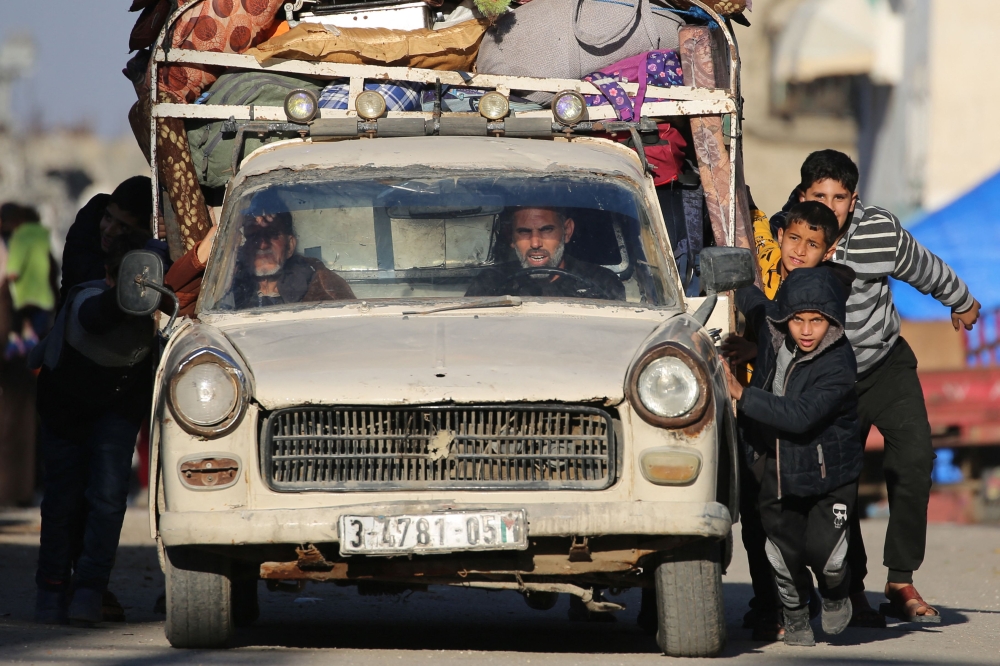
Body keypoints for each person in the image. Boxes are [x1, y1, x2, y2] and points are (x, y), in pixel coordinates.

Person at [767, 150, 981, 624]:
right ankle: (849, 588)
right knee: (838, 485)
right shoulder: (788, 236)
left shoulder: (878, 231)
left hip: (884, 364)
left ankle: (900, 577)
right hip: (825, 378)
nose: (831, 205)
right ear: (803, 197)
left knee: (915, 455)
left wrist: (961, 299)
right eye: (819, 195)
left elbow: (922, 266)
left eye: (840, 197)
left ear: (853, 199)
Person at [724, 201, 844, 640]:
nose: (799, 250)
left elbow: (782, 330)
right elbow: (770, 323)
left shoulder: (825, 290)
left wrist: (759, 342)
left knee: (801, 528)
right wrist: (758, 349)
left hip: (804, 429)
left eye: (812, 244)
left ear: (827, 251)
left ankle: (815, 597)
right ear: (779, 239)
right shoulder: (781, 284)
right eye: (793, 239)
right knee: (761, 520)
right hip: (766, 424)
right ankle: (772, 603)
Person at [31, 227, 156, 625]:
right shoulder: (88, 300)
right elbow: (99, 315)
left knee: (106, 500)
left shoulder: (153, 305)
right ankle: (52, 588)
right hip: (66, 408)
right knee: (63, 500)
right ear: (110, 274)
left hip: (116, 408)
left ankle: (88, 590)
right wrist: (129, 298)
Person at [465, 207, 626, 301]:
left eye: (547, 230)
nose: (535, 243)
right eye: (524, 232)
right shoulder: (489, 285)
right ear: (510, 236)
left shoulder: (601, 284)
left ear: (567, 231)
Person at [229, 210, 354, 309]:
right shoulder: (229, 285)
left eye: (272, 234)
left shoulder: (321, 286)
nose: (262, 245)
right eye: (253, 236)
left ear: (290, 245)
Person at [60, 176, 154, 308]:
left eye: (123, 227)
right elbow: (79, 278)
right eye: (108, 217)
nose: (109, 230)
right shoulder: (86, 231)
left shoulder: (147, 248)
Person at [6, 205, 55, 354]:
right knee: (41, 334)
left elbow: (14, 268)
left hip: (23, 294)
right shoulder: (43, 236)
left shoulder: (20, 235)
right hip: (43, 295)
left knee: (16, 331)